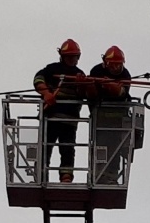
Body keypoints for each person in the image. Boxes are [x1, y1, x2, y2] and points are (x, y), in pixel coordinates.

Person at [33, 39, 86, 183]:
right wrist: (46, 94)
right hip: (50, 119)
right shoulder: (52, 70)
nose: (72, 59)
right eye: (69, 56)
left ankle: (66, 177)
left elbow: (85, 94)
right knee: (45, 148)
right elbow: (38, 79)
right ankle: (41, 176)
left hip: (69, 121)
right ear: (62, 56)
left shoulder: (80, 75)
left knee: (67, 150)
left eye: (74, 56)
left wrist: (82, 85)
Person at [88, 46, 132, 185]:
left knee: (115, 149)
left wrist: (111, 86)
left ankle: (112, 176)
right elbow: (92, 92)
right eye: (111, 65)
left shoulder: (125, 75)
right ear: (105, 63)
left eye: (117, 65)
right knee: (101, 147)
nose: (114, 68)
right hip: (101, 117)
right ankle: (99, 175)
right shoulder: (96, 71)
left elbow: (122, 93)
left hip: (117, 119)